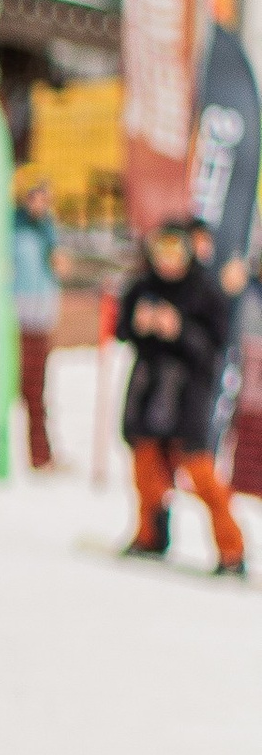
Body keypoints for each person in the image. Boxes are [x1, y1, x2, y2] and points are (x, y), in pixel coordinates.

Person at [117, 219, 243, 572]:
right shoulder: (142, 286)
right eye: (162, 251)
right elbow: (123, 329)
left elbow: (215, 348)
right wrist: (139, 324)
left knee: (201, 475)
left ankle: (232, 551)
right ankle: (150, 537)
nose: (168, 260)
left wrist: (180, 330)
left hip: (187, 397)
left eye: (175, 251)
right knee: (147, 471)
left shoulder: (204, 292)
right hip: (147, 392)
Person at [10, 172, 65, 474]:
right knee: (10, 386)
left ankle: (40, 454)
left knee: (36, 391)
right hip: (16, 319)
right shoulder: (12, 229)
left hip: (40, 319)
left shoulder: (47, 229)